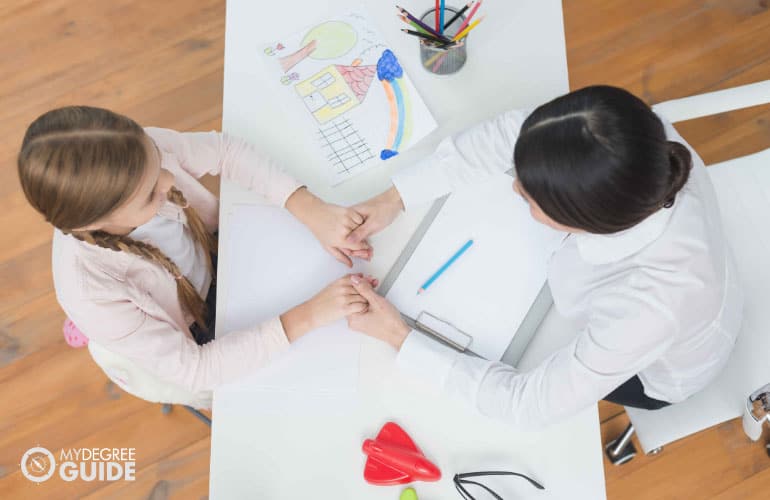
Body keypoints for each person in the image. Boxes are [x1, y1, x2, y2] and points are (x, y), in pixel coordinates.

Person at [343, 85, 744, 429]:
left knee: (522, 351)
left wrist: (399, 336)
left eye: (530, 195)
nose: (514, 186)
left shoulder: (650, 306)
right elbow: (509, 137)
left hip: (655, 370)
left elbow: (530, 406)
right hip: (690, 293)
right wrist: (394, 198)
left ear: (581, 219)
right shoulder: (633, 138)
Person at [17, 106, 376, 395]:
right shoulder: (92, 293)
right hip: (193, 329)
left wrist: (308, 207)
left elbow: (227, 151)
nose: (170, 180)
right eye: (150, 195)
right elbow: (196, 370)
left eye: (158, 161)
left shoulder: (137, 154)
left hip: (218, 257)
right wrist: (310, 315)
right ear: (93, 223)